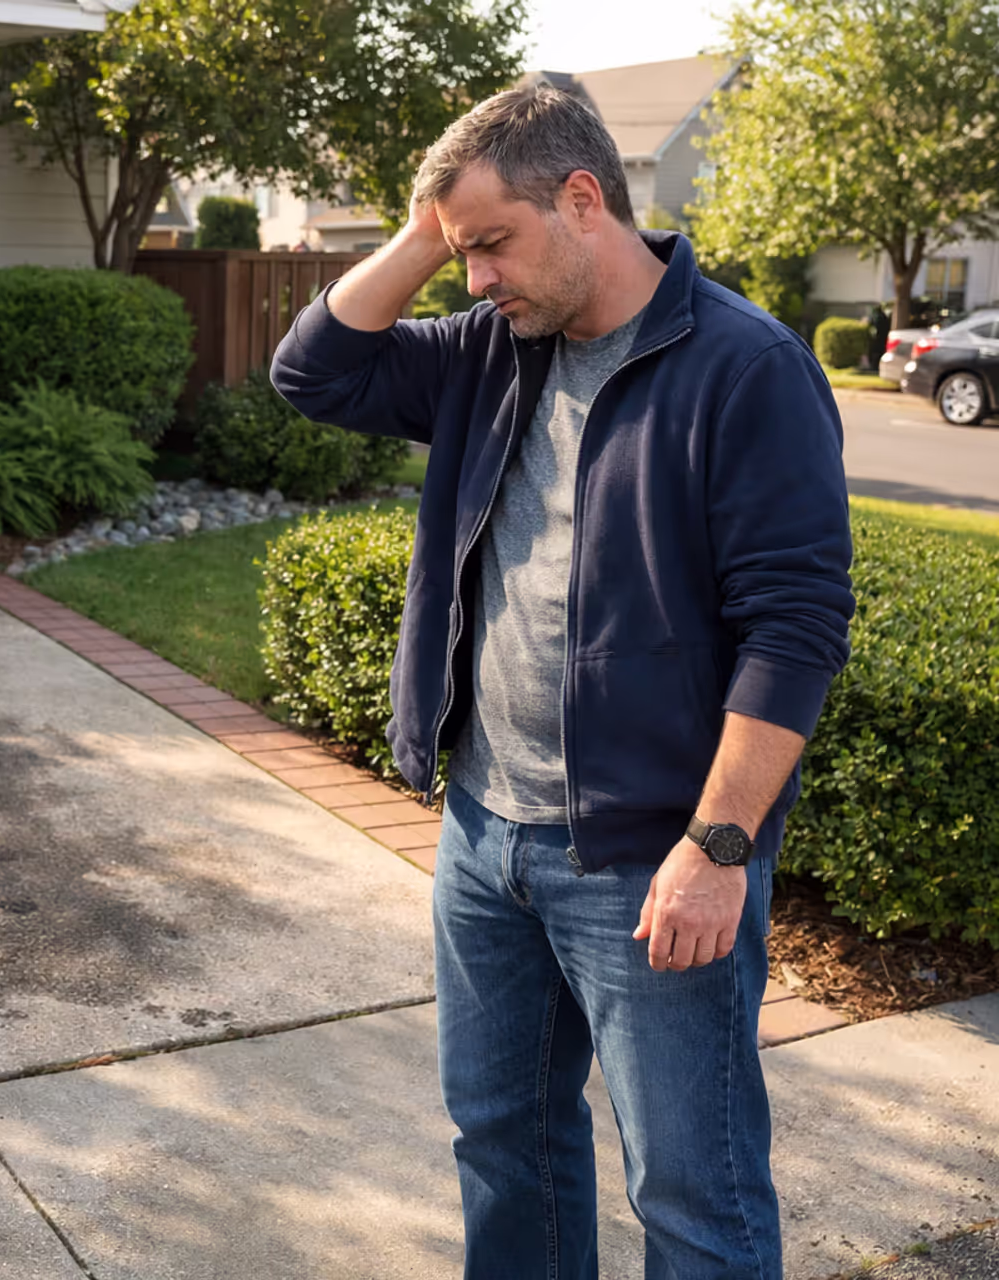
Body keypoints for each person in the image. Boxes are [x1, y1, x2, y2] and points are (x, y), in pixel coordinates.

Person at [271, 85, 854, 1280]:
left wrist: (719, 846)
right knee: (504, 1144)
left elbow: (794, 628)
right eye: (460, 251)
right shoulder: (493, 348)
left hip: (651, 858)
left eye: (492, 242)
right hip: (485, 835)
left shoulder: (746, 366)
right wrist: (432, 225)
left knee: (692, 1193)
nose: (474, 277)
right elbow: (312, 371)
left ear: (584, 199)